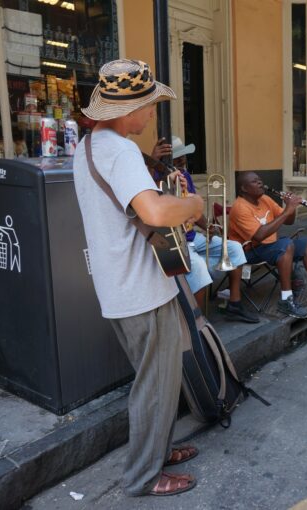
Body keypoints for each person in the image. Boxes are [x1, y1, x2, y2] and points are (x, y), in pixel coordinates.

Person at [72, 59, 204, 497]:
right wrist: (194, 205)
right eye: (149, 106)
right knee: (154, 387)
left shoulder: (87, 147)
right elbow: (155, 212)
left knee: (156, 381)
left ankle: (158, 452)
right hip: (140, 288)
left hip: (118, 285)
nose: (151, 115)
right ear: (128, 110)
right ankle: (144, 476)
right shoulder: (121, 150)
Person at [150, 136, 259, 323]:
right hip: (176, 241)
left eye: (184, 156)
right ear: (165, 160)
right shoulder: (155, 178)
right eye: (177, 158)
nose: (182, 161)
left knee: (233, 248)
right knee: (199, 268)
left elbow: (194, 210)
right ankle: (198, 323)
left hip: (193, 237)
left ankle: (234, 304)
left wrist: (208, 227)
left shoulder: (185, 176)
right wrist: (152, 163)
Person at [229, 172, 307, 319]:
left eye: (260, 180)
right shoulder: (240, 207)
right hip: (249, 251)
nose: (260, 183)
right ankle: (286, 299)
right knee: (286, 245)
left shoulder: (265, 199)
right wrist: (287, 211)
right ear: (244, 188)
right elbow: (259, 235)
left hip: (270, 247)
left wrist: (289, 207)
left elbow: (289, 221)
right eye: (254, 181)